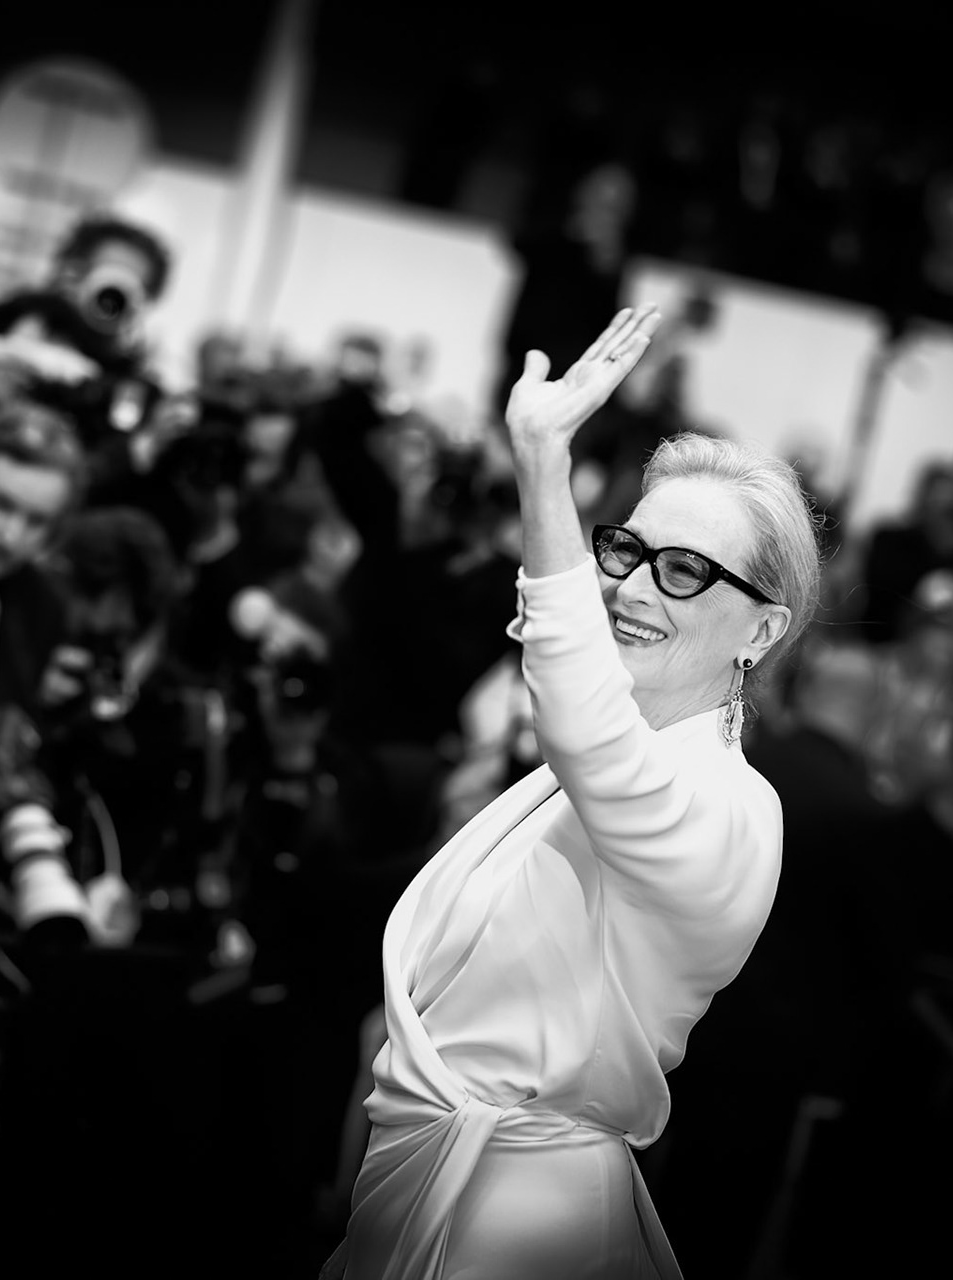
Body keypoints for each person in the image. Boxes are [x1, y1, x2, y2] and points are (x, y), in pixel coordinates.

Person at [325, 307, 824, 1279]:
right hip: (423, 1189)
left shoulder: (731, 804)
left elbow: (580, 714)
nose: (633, 587)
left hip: (522, 1225)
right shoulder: (594, 771)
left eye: (684, 571)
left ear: (760, 633)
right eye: (626, 551)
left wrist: (542, 461)